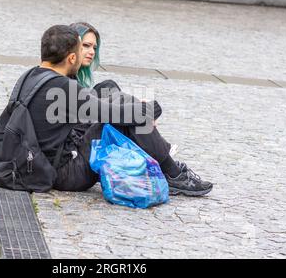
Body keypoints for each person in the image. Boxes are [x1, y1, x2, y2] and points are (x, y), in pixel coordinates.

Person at [27, 25, 213, 196]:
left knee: (122, 104)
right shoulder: (64, 87)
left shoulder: (31, 76)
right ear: (72, 57)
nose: (90, 52)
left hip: (45, 162)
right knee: (127, 117)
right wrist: (149, 110)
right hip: (67, 174)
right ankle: (173, 174)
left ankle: (165, 160)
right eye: (83, 48)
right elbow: (109, 113)